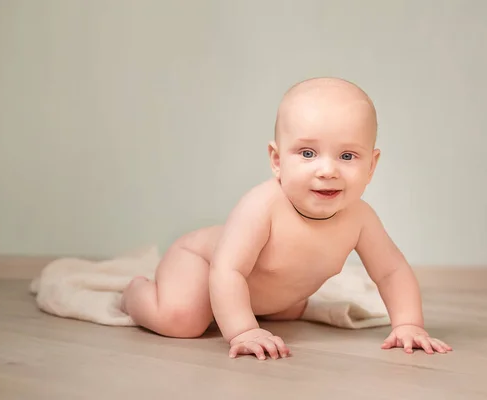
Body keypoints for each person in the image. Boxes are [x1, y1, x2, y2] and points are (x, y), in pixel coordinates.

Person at [121, 77, 452, 360]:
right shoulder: (262, 206)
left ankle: (259, 308)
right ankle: (135, 293)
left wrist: (408, 323)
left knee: (289, 310)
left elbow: (392, 271)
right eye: (307, 153)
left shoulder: (360, 218)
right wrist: (244, 331)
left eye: (347, 156)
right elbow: (228, 269)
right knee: (183, 319)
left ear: (371, 166)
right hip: (201, 263)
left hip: (262, 294)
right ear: (277, 160)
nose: (327, 170)